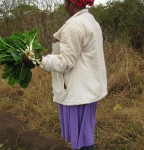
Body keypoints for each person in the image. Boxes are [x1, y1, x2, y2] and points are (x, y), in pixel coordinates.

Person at [26, 0, 107, 149]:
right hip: (88, 87)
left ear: (73, 4)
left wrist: (38, 60)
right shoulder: (90, 20)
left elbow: (65, 62)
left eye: (66, 3)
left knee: (83, 140)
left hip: (78, 91)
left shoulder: (74, 26)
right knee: (85, 135)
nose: (64, 6)